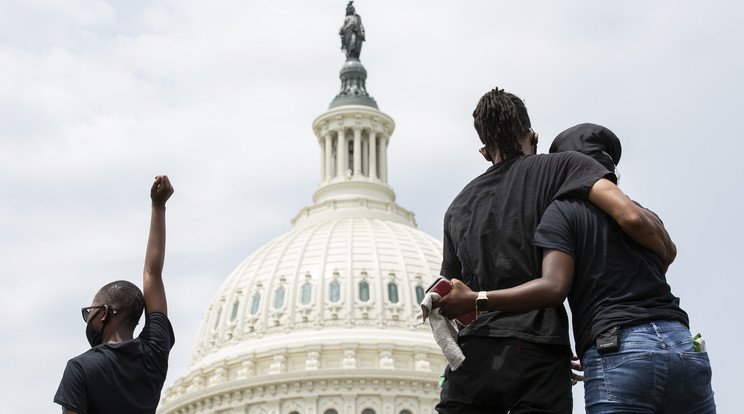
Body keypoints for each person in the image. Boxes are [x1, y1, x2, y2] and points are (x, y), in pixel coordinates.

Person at [438, 123, 716, 413]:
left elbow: (553, 287)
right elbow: (661, 251)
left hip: (614, 346)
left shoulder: (561, 214)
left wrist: (478, 300)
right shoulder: (645, 217)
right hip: (682, 342)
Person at [54, 175, 176, 414]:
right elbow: (153, 274)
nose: (87, 319)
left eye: (89, 311)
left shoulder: (80, 369)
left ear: (104, 314)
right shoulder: (154, 354)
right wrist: (158, 207)